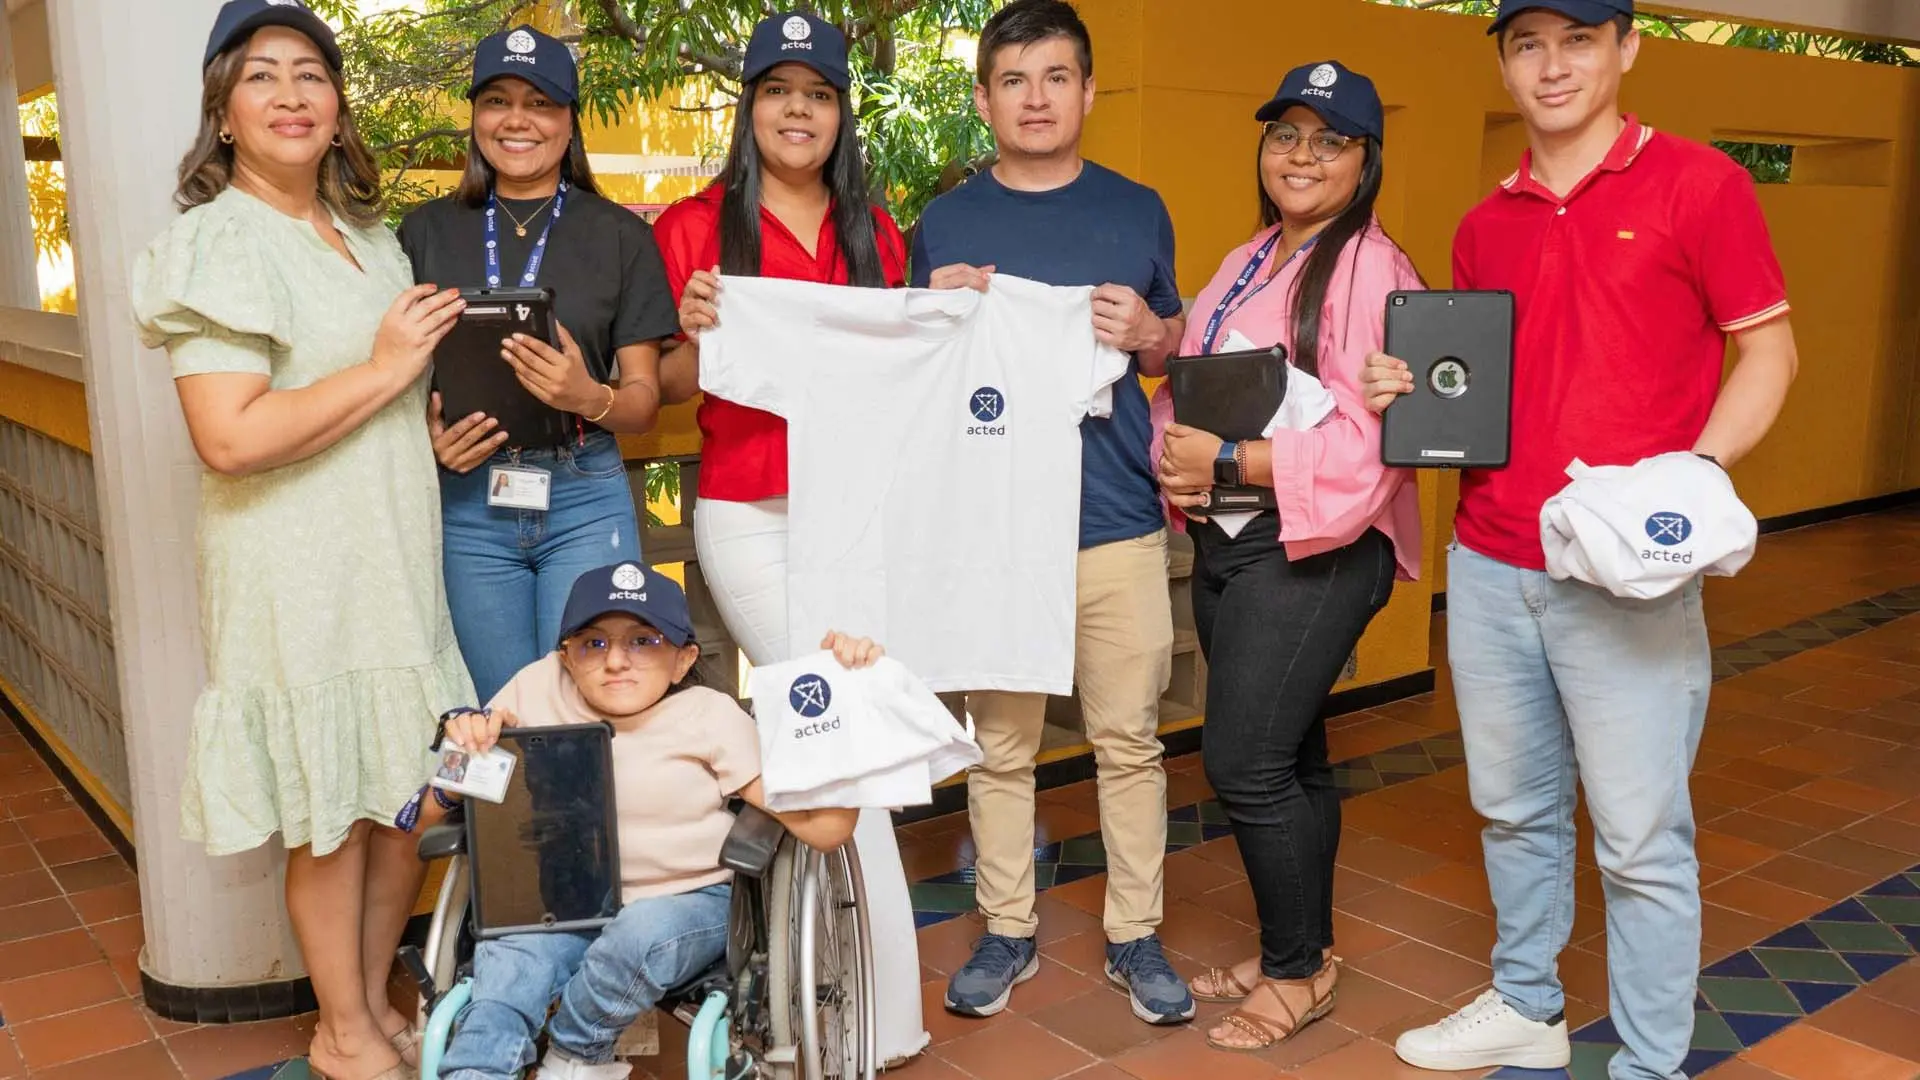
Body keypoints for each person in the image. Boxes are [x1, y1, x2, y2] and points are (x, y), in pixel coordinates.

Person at [1360, 3, 1798, 1077]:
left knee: (1641, 840)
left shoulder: (1701, 185)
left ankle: (1649, 1061)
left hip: (1628, 574)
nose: (1552, 66)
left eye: (1579, 39)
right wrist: (1411, 389)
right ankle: (1528, 1004)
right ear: (1504, 64)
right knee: (1513, 812)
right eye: (1528, 44)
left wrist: (1694, 476)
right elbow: (1489, 387)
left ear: (1626, 48)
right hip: (1491, 559)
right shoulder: (1486, 222)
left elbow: (1770, 354)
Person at [129, 3, 474, 1078]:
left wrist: (418, 427)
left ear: (337, 108)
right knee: (329, 815)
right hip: (293, 572)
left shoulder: (371, 242)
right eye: (262, 76)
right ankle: (343, 1029)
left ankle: (359, 1004)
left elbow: (371, 397)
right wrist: (383, 370)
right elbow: (229, 437)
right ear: (224, 114)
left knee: (399, 805)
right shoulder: (217, 241)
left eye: (311, 75)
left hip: (393, 563)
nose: (290, 95)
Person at [654, 12, 929, 1063]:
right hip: (748, 510)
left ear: (841, 113)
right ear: (752, 107)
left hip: (856, 515)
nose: (798, 110)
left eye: (819, 94)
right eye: (778, 91)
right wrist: (693, 329)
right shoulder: (692, 228)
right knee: (837, 726)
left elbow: (902, 378)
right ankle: (861, 1011)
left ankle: (823, 992)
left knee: (838, 738)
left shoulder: (877, 234)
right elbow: (667, 386)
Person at [912, 0, 1193, 1026]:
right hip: (993, 534)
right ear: (985, 98)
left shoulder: (1138, 208)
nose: (1036, 98)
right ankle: (1007, 927)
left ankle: (1136, 934)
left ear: (1087, 90)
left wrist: (1150, 329)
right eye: (1015, 79)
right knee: (1000, 748)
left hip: (1115, 520)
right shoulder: (944, 224)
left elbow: (1171, 346)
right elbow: (915, 377)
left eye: (1057, 76)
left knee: (1131, 742)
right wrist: (933, 314)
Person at [1148, 60, 1423, 1052]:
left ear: (1366, 160)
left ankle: (1297, 974)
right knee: (1293, 756)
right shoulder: (1248, 258)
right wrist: (1177, 463)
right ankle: (1298, 952)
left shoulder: (1373, 271)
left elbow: (1378, 442)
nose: (1302, 156)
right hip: (1231, 533)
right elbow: (1189, 388)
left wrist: (1229, 460)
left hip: (1318, 544)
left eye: (1329, 140)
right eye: (1286, 135)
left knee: (1244, 761)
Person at [429, 562, 869, 1080]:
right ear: (566, 657)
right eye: (593, 643)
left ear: (683, 659)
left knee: (639, 934)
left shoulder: (709, 715)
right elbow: (427, 812)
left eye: (644, 641)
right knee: (509, 968)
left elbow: (826, 830)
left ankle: (574, 1055)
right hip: (563, 903)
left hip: (688, 900)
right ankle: (476, 1070)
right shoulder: (537, 688)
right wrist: (466, 754)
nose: (616, 661)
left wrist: (846, 694)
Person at [399, 24, 680, 703]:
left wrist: (587, 394)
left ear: (569, 120)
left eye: (541, 103)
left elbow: (643, 403)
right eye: (497, 100)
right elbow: (392, 377)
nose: (517, 120)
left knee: (590, 704)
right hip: (468, 499)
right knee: (498, 708)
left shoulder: (620, 235)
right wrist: (427, 443)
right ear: (475, 116)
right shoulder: (422, 231)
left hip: (584, 492)